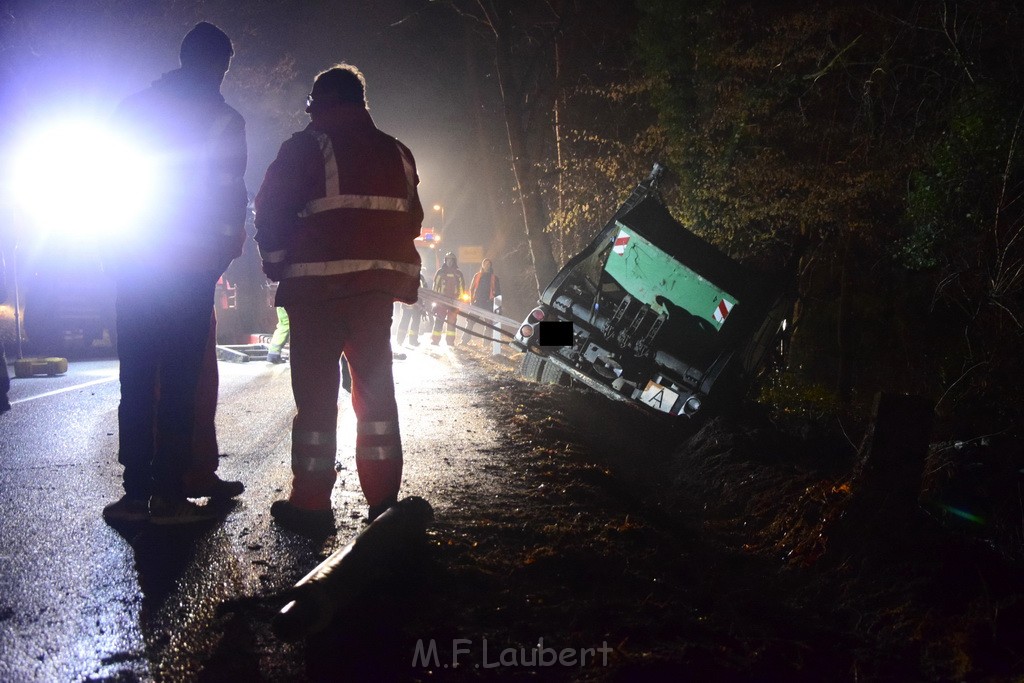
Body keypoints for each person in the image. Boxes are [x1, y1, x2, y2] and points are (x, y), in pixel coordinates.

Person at [254, 63, 422, 534]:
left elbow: (269, 212)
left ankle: (310, 505)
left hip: (316, 296)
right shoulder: (397, 152)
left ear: (319, 104)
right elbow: (412, 219)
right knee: (376, 397)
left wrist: (276, 262)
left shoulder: (304, 147)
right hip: (373, 297)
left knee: (316, 401)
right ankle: (384, 500)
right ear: (361, 103)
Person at [102, 22, 248, 524]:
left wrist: (115, 251)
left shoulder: (134, 111)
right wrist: (219, 257)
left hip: (137, 266)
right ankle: (168, 494)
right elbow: (231, 198)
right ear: (221, 66)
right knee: (182, 380)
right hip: (188, 270)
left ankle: (133, 492)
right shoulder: (223, 120)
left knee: (137, 377)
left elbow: (110, 185)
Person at [461, 258, 500, 344]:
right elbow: (471, 289)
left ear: (491, 265)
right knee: (470, 322)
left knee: (489, 325)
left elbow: (498, 293)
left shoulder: (494, 278)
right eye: (485, 263)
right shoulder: (477, 276)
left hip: (488, 303)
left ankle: (486, 343)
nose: (487, 265)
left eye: (488, 263)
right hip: (477, 303)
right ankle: (464, 340)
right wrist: (471, 301)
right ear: (482, 265)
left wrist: (497, 306)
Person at [430, 251, 465, 346]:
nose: (450, 262)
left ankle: (450, 341)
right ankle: (435, 340)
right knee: (439, 320)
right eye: (448, 260)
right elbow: (435, 287)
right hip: (441, 301)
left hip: (453, 302)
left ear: (454, 261)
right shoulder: (440, 272)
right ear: (445, 260)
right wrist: (435, 299)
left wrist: (460, 301)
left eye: (451, 260)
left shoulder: (458, 274)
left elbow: (461, 288)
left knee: (452, 322)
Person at [395, 270, 427, 346]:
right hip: (408, 305)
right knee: (405, 322)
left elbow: (426, 292)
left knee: (415, 323)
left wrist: (423, 305)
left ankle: (412, 340)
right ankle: (400, 340)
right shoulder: (406, 277)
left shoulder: (421, 278)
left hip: (417, 305)